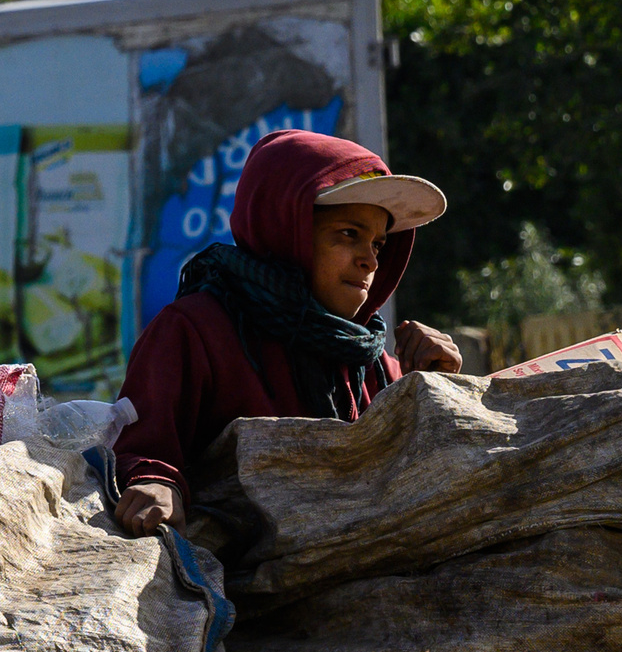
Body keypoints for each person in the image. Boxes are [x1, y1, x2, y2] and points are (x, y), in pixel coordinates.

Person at [112, 129, 462, 535]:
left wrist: (439, 392)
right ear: (284, 227)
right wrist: (156, 481)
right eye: (349, 234)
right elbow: (140, 447)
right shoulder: (194, 330)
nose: (369, 260)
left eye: (379, 245)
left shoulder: (373, 363)